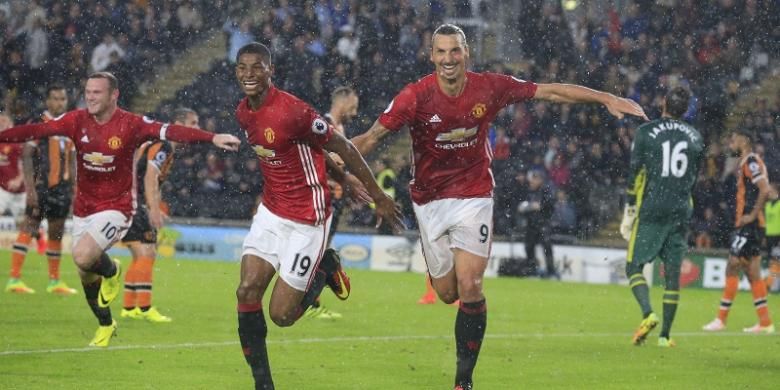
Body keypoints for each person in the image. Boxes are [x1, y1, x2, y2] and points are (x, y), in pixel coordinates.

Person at [351, 24, 648, 390]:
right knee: (447, 293)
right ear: (431, 56)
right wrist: (331, 165)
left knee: (471, 285)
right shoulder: (415, 96)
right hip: (429, 201)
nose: (448, 59)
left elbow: (550, 92)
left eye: (455, 51)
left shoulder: (489, 86)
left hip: (474, 195)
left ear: (466, 53)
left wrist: (604, 97)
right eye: (441, 52)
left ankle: (463, 380)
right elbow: (370, 137)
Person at [0, 72, 241, 347]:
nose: (90, 97)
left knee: (82, 255)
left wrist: (211, 138)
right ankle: (105, 323)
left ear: (113, 95)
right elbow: (34, 131)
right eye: (88, 92)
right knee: (85, 271)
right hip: (84, 208)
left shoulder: (132, 124)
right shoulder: (76, 120)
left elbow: (171, 130)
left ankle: (113, 272)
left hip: (117, 207)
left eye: (97, 92)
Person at [231, 42, 403, 389]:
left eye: (257, 67)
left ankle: (326, 267)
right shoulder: (243, 113)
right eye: (242, 67)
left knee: (281, 315)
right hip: (271, 211)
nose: (249, 74)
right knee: (247, 291)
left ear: (270, 71)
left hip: (308, 219)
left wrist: (377, 195)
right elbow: (308, 155)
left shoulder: (293, 111)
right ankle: (263, 383)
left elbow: (342, 147)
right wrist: (343, 178)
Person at [619, 87, 705, 347]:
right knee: (672, 276)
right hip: (681, 208)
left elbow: (635, 171)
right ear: (686, 107)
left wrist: (630, 208)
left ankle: (648, 313)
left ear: (664, 102)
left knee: (634, 266)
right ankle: (665, 336)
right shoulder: (696, 138)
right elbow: (693, 177)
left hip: (653, 206)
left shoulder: (646, 132)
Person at [119, 108, 199, 323]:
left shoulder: (157, 143)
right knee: (148, 253)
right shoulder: (163, 145)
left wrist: (158, 205)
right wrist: (153, 209)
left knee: (139, 254)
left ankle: (129, 307)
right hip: (135, 203)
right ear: (178, 124)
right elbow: (150, 177)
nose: (197, 128)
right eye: (193, 123)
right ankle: (144, 309)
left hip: (128, 201)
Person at [6, 85, 78, 295]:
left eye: (62, 99)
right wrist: (30, 190)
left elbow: (73, 159)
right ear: (47, 101)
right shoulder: (39, 123)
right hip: (42, 187)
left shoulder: (69, 126)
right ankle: (14, 278)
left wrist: (75, 188)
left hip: (63, 190)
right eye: (55, 98)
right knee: (29, 227)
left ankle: (54, 281)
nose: (59, 102)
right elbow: (27, 155)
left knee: (56, 233)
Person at [702, 129, 775, 334]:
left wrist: (751, 215)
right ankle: (765, 322)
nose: (730, 144)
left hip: (750, 224)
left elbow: (764, 189)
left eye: (733, 140)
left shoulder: (751, 161)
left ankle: (721, 319)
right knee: (753, 273)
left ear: (744, 141)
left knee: (732, 265)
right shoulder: (747, 162)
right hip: (750, 224)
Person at [305, 86, 362, 320]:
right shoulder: (324, 125)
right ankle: (309, 304)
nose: (355, 112)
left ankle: (310, 302)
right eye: (353, 106)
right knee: (317, 251)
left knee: (321, 250)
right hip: (323, 199)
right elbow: (313, 156)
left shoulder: (340, 129)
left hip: (335, 200)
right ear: (342, 102)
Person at [518, 170, 557, 279]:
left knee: (546, 246)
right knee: (529, 247)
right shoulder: (528, 192)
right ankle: (532, 271)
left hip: (543, 223)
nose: (532, 182)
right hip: (531, 224)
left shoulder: (546, 190)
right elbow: (521, 207)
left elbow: (550, 205)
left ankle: (551, 271)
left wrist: (539, 206)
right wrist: (531, 207)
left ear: (540, 180)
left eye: (535, 179)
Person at [0, 114, 25, 219]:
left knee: (25, 225)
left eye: (3, 121)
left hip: (20, 191)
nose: (1, 123)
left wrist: (19, 180)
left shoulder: (17, 143)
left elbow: (27, 164)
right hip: (3, 190)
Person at [763, 184, 780, 291]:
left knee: (776, 261)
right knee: (772, 261)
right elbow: (766, 222)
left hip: (778, 236)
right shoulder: (767, 205)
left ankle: (772, 284)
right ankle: (772, 283)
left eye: (770, 190)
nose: (768, 192)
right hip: (769, 237)